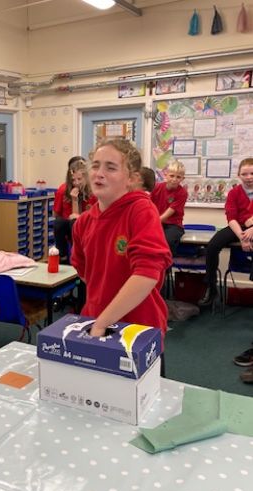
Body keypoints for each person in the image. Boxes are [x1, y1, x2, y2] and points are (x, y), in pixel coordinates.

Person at [71, 139, 172, 372]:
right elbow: (85, 273)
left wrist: (103, 322)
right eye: (95, 165)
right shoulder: (83, 223)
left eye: (111, 167)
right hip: (96, 324)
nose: (99, 173)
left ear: (132, 178)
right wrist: (99, 320)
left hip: (138, 328)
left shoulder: (141, 210)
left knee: (142, 393)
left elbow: (147, 275)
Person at [199, 157, 253, 306]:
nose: (249, 177)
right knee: (212, 246)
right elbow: (231, 218)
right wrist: (243, 238)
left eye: (252, 173)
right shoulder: (234, 193)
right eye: (244, 174)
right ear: (239, 175)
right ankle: (211, 288)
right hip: (237, 226)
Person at [53, 157, 96, 263]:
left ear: (86, 178)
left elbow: (97, 216)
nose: (76, 183)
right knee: (59, 223)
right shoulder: (63, 190)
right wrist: (74, 200)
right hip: (72, 226)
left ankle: (77, 257)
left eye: (79, 179)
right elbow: (57, 214)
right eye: (73, 180)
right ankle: (62, 257)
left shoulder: (94, 192)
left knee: (74, 222)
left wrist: (80, 217)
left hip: (90, 226)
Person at [150, 160, 187, 256]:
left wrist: (153, 222)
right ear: (165, 175)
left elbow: (169, 212)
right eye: (172, 176)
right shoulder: (157, 187)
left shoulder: (182, 193)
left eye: (178, 177)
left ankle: (167, 264)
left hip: (174, 225)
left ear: (182, 178)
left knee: (167, 241)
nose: (174, 179)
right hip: (158, 222)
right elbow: (149, 205)